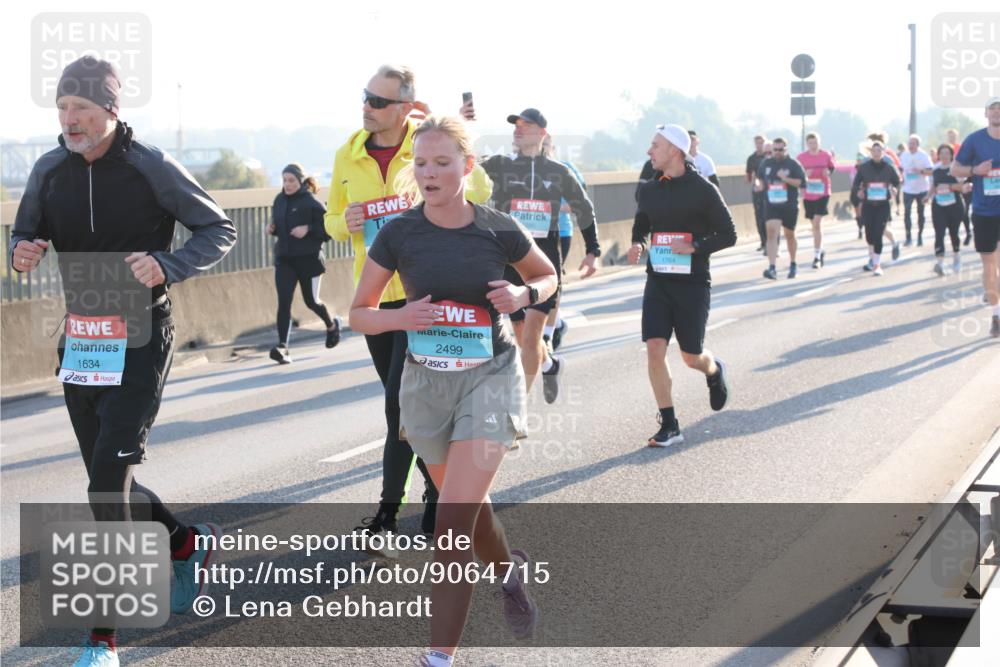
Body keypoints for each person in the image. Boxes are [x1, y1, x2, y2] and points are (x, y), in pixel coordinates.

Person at [9, 56, 237, 667]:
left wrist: (169, 265)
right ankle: (186, 541)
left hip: (140, 338)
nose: (71, 119)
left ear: (112, 109)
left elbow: (217, 229)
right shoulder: (50, 168)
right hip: (81, 340)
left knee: (107, 483)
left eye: (83, 108)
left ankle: (103, 640)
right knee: (108, 481)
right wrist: (22, 251)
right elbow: (23, 234)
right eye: (62, 108)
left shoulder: (150, 166)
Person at [349, 116, 557, 666]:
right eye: (421, 163)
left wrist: (522, 292)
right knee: (470, 510)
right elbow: (359, 314)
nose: (430, 173)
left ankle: (437, 659)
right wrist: (404, 317)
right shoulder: (400, 232)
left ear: (467, 167)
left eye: (443, 163)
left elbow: (547, 275)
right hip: (425, 385)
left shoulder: (497, 227)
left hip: (490, 378)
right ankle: (510, 574)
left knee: (449, 522)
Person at [325, 65, 492, 551]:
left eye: (377, 101)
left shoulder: (424, 147)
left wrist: (462, 150)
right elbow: (332, 221)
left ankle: (386, 515)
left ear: (403, 107)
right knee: (410, 408)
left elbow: (478, 194)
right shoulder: (347, 153)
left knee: (401, 405)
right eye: (364, 97)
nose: (366, 107)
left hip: (427, 293)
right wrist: (346, 220)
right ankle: (440, 492)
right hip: (376, 299)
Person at [476, 107, 601, 403]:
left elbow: (584, 209)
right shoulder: (500, 165)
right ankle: (550, 365)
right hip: (508, 265)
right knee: (521, 337)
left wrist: (593, 251)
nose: (518, 129)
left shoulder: (558, 172)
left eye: (526, 125)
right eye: (515, 125)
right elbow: (465, 166)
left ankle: (516, 411)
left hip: (542, 269)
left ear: (542, 134)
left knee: (531, 337)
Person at [628, 124, 736, 447]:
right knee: (655, 348)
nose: (649, 152)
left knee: (691, 356)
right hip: (658, 281)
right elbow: (641, 224)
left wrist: (696, 247)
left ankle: (714, 370)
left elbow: (728, 233)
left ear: (675, 150)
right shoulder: (649, 189)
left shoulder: (703, 190)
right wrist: (638, 244)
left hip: (692, 284)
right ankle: (670, 423)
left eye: (655, 146)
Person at [267, 163, 340, 364]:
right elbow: (279, 224)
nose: (287, 184)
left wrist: (308, 228)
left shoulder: (311, 202)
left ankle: (331, 325)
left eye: (291, 180)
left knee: (311, 301)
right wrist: (272, 228)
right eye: (284, 180)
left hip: (309, 260)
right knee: (284, 302)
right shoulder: (279, 200)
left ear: (300, 181)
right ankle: (283, 347)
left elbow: (328, 230)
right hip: (285, 259)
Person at [952, 97, 1000, 338]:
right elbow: (954, 169)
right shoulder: (975, 140)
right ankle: (996, 314)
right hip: (984, 212)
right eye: (993, 109)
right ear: (985, 114)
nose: (997, 113)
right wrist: (975, 171)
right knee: (989, 265)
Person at [541, 134, 582, 351]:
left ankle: (548, 332)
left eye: (545, 146)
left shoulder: (564, 168)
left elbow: (579, 203)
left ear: (553, 148)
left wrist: (551, 206)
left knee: (551, 281)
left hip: (560, 232)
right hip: (532, 233)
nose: (542, 149)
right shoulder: (526, 169)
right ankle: (558, 323)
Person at [850, 140, 901, 276]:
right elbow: (856, 183)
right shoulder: (864, 167)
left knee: (879, 232)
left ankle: (876, 264)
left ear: (883, 152)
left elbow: (897, 181)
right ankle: (873, 258)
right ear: (871, 153)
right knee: (869, 235)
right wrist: (859, 191)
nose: (876, 153)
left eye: (879, 151)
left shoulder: (889, 167)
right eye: (874, 151)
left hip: (883, 205)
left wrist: (894, 189)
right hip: (868, 204)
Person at [757, 137, 805, 279]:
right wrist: (759, 184)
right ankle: (772, 267)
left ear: (786, 149)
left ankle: (793, 263)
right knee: (771, 233)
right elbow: (759, 177)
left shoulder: (793, 164)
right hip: (772, 205)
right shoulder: (766, 163)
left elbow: (801, 183)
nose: (777, 152)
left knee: (789, 235)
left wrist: (785, 179)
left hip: (789, 205)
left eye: (780, 149)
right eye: (775, 150)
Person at [796, 132, 837, 268]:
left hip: (823, 192)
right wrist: (804, 175)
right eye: (810, 143)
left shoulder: (826, 155)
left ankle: (816, 256)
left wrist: (828, 173)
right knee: (814, 224)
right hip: (808, 193)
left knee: (817, 223)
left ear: (819, 143)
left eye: (815, 143)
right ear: (807, 144)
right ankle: (821, 248)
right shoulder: (801, 158)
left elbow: (832, 168)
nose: (813, 146)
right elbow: (796, 173)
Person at [930, 144, 967, 276]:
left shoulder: (956, 169)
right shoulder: (935, 170)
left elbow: (963, 186)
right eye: (942, 153)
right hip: (939, 205)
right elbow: (933, 187)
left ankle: (956, 255)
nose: (944, 156)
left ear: (952, 155)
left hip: (954, 205)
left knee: (953, 233)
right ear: (938, 155)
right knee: (939, 233)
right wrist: (927, 197)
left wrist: (950, 186)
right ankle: (939, 263)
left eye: (947, 153)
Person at [900, 134, 934, 246]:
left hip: (922, 188)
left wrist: (920, 171)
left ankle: (920, 236)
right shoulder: (904, 155)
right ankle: (908, 237)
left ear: (918, 145)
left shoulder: (923, 155)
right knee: (907, 212)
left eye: (913, 143)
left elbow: (930, 170)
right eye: (909, 143)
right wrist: (901, 178)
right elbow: (900, 169)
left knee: (921, 213)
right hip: (908, 188)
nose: (911, 145)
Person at [746, 134, 769, 251]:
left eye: (762, 142)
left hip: (769, 191)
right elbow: (748, 177)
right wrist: (753, 179)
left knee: (768, 216)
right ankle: (763, 242)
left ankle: (771, 241)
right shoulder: (751, 159)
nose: (760, 145)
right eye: (757, 143)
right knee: (759, 216)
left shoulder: (769, 156)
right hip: (757, 191)